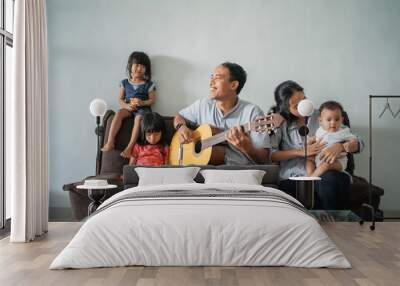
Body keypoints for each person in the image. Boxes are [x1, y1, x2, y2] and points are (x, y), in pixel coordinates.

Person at [270, 80, 364, 209]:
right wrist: (300, 152)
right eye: (296, 106)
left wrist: (341, 146)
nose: (303, 106)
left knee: (331, 181)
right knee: (299, 190)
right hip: (293, 176)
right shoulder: (278, 122)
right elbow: (271, 155)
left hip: (325, 171)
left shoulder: (324, 115)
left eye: (304, 99)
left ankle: (336, 224)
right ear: (286, 108)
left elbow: (358, 142)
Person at [173, 62, 270, 165]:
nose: (211, 82)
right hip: (204, 172)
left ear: (233, 85)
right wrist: (181, 127)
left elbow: (264, 160)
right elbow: (179, 116)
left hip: (238, 172)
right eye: (211, 77)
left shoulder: (253, 112)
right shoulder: (203, 105)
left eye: (217, 77)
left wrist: (247, 147)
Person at [102, 51, 156, 158]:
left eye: (142, 66)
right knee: (119, 113)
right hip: (128, 107)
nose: (139, 68)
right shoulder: (125, 83)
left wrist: (142, 102)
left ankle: (129, 148)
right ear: (130, 66)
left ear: (146, 69)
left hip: (143, 110)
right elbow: (120, 99)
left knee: (139, 118)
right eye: (136, 65)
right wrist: (126, 106)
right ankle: (110, 141)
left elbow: (152, 100)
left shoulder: (149, 84)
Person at [306, 101, 357, 177]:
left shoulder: (343, 131)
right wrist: (309, 142)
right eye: (329, 120)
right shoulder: (320, 130)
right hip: (318, 160)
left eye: (337, 119)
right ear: (320, 121)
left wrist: (347, 145)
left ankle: (312, 179)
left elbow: (354, 139)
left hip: (336, 162)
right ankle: (310, 176)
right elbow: (315, 138)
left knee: (326, 165)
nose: (333, 122)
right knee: (308, 160)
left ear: (342, 120)